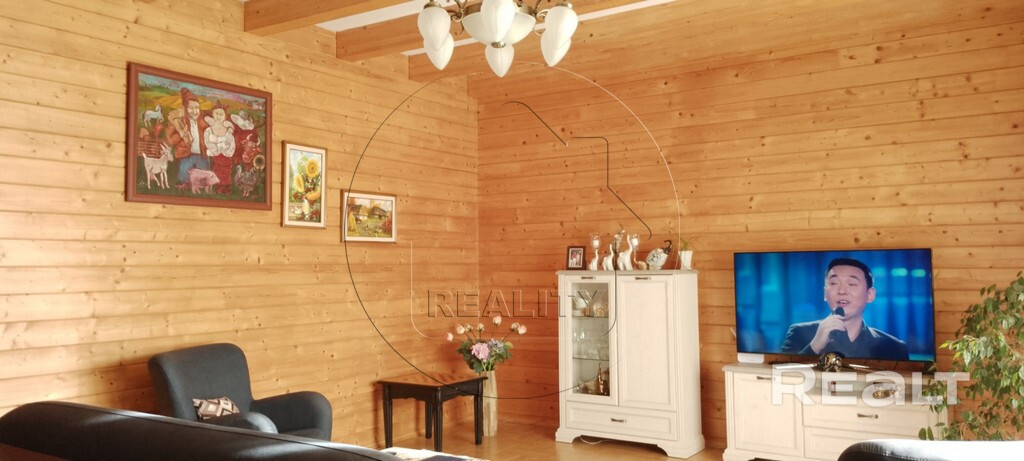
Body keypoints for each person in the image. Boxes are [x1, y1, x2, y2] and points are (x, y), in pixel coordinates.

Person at [780, 257, 909, 360]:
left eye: (852, 284)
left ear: (870, 295)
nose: (842, 291)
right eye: (834, 283)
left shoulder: (894, 347)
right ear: (825, 294)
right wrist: (814, 346)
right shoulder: (799, 333)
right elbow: (782, 377)